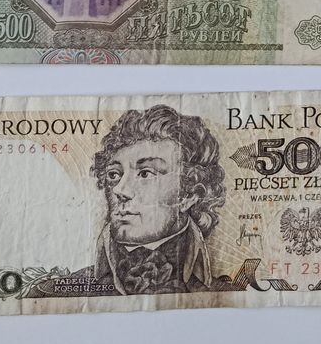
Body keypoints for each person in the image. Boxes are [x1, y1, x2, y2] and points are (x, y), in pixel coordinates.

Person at [80, 104, 226, 296]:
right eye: (114, 174)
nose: (119, 189)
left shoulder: (223, 292)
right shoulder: (67, 291)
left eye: (145, 173)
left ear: (188, 195)